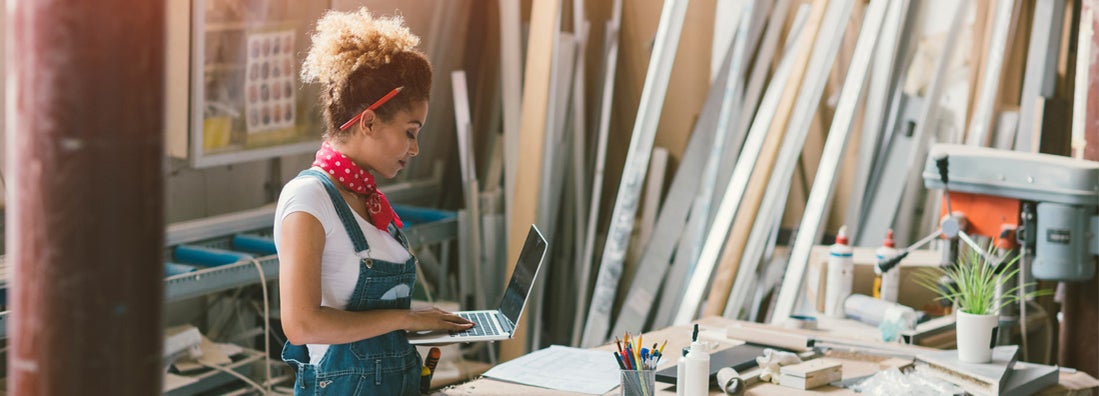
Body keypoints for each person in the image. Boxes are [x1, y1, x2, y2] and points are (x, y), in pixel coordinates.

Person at [274, 8, 473, 395]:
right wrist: (404, 320)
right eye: (410, 132)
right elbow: (302, 325)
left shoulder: (368, 198)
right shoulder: (309, 199)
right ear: (368, 122)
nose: (415, 149)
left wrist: (421, 317)